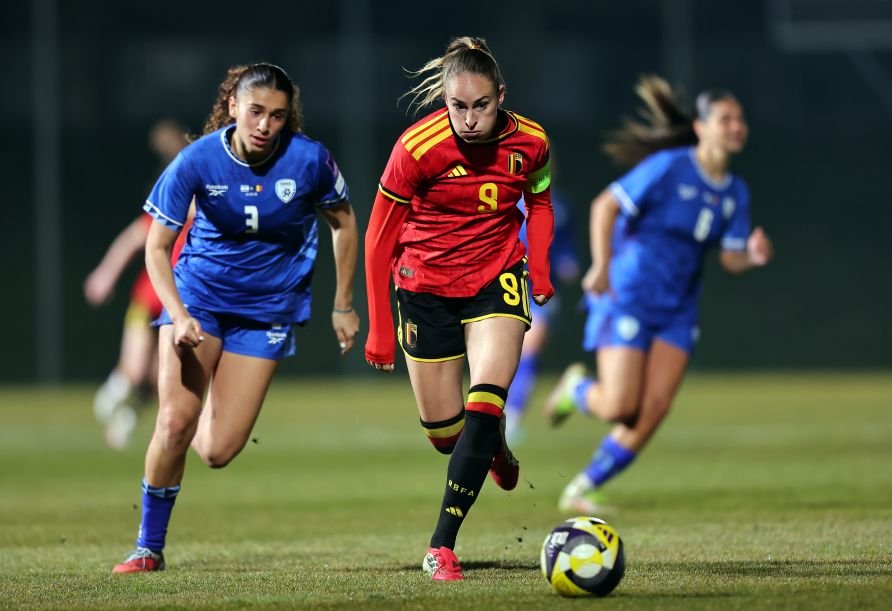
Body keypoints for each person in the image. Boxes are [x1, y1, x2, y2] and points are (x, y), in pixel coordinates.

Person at [112, 63, 360, 573]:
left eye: (277, 115)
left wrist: (343, 304)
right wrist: (177, 316)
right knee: (175, 421)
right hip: (199, 299)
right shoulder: (195, 161)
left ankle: (193, 407)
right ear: (232, 107)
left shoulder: (311, 162)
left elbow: (344, 223)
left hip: (268, 309)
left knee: (218, 451)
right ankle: (147, 548)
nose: (265, 125)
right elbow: (157, 249)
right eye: (255, 112)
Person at [364, 36, 554, 581]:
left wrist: (537, 269)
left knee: (487, 399)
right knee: (446, 435)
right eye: (457, 107)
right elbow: (380, 240)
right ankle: (492, 448)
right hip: (424, 287)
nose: (469, 119)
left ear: (501, 96)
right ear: (444, 101)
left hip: (497, 277)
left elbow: (538, 202)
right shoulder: (417, 148)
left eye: (482, 105)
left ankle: (442, 545)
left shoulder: (532, 142)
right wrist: (380, 328)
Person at [544, 75, 773, 514]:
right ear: (702, 128)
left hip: (678, 309)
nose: (736, 125)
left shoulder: (735, 193)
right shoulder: (670, 166)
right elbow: (604, 206)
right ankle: (576, 389)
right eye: (726, 118)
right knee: (620, 406)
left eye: (740, 119)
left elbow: (729, 259)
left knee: (655, 406)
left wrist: (754, 257)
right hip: (628, 293)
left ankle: (584, 486)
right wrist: (601, 264)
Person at [84, 120, 190, 450]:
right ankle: (115, 393)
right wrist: (105, 274)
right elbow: (131, 241)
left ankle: (125, 420)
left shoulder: (207, 214)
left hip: (180, 306)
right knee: (133, 370)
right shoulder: (167, 212)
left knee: (160, 378)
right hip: (149, 300)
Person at [503, 189, 580, 446]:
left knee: (529, 350)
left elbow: (565, 248)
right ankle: (489, 414)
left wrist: (567, 263)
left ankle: (511, 419)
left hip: (540, 289)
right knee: (502, 354)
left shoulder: (560, 207)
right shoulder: (502, 199)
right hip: (506, 285)